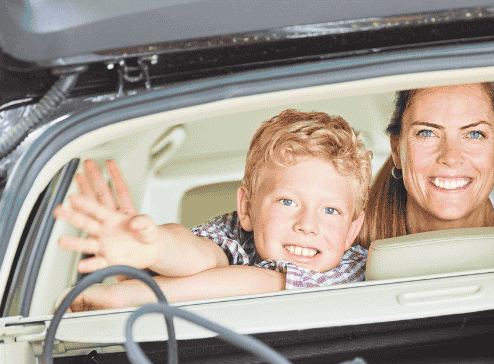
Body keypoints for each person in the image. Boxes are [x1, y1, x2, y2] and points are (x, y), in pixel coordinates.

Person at [54, 109, 371, 311]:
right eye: (287, 202)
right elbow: (201, 253)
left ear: (352, 231)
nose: (307, 225)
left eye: (331, 211)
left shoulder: (359, 267)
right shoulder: (234, 234)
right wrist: (156, 247)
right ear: (246, 208)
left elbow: (264, 283)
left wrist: (133, 296)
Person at [358, 82, 494, 247]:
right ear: (396, 149)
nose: (451, 157)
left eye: (474, 134)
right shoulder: (344, 242)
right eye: (427, 133)